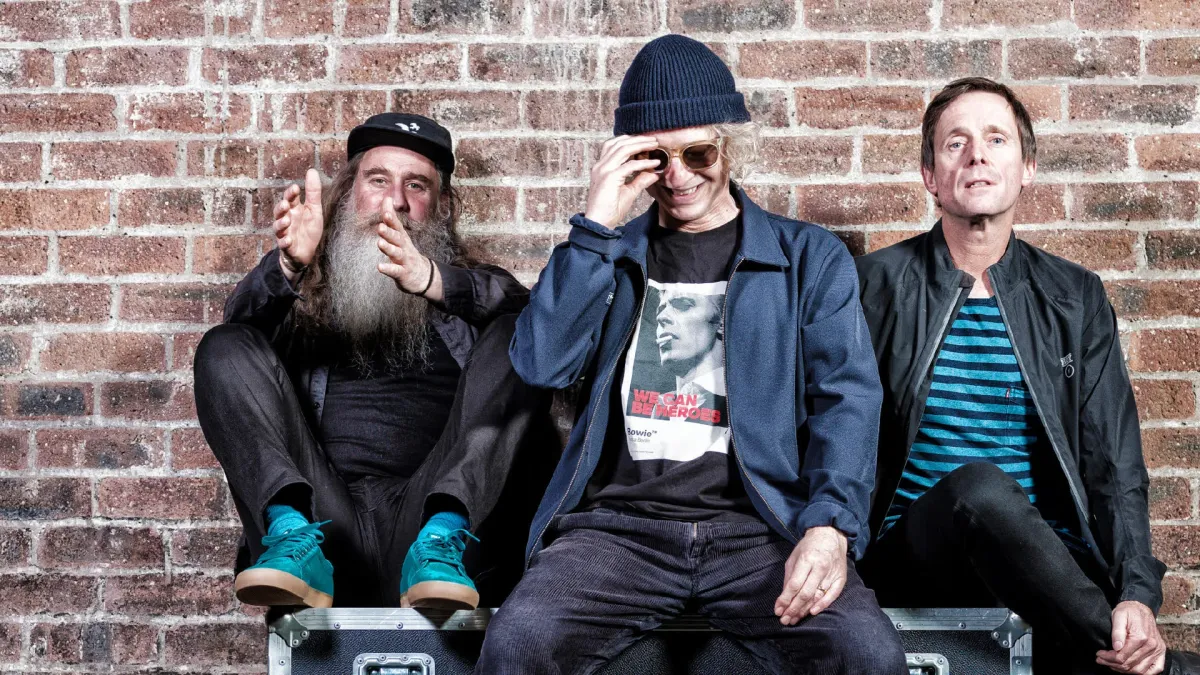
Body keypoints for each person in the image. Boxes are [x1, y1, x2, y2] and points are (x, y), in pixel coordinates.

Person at [477, 34, 906, 675]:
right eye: (656, 157)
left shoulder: (808, 258)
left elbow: (846, 399)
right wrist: (594, 229)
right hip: (619, 533)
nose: (677, 177)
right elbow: (542, 363)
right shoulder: (607, 255)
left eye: (697, 153)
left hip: (761, 530)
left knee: (867, 655)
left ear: (729, 146)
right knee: (516, 644)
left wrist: (830, 526)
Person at [856, 77, 1200, 675]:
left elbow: (1113, 462)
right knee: (979, 489)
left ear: (1027, 169)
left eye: (997, 140)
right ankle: (1155, 670)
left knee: (1002, 502)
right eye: (956, 143)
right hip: (913, 555)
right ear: (930, 175)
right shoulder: (871, 286)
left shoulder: (1074, 296)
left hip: (1046, 570)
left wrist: (1137, 594)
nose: (977, 156)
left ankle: (1117, 650)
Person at [193, 113, 557, 610]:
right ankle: (290, 533)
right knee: (224, 344)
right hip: (325, 530)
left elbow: (545, 332)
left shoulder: (469, 291)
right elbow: (237, 346)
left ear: (443, 205)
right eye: (378, 180)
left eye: (417, 185)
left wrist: (433, 281)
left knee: (521, 336)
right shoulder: (304, 291)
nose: (396, 201)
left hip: (432, 538)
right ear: (350, 193)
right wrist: (288, 268)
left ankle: (444, 532)